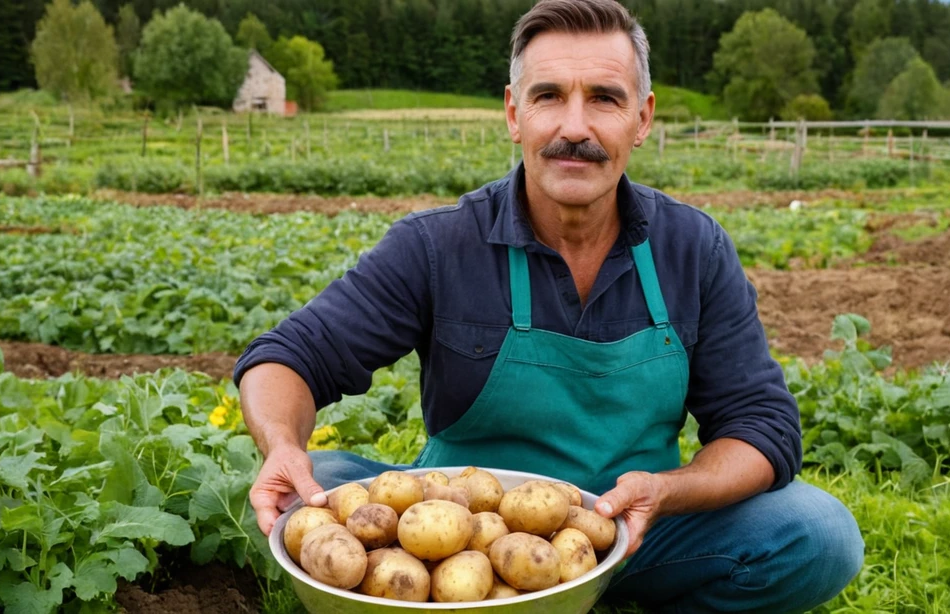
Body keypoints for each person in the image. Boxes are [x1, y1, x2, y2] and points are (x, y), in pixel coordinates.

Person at [234, 0, 864, 611]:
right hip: (459, 536)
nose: (574, 127)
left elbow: (761, 428)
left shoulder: (692, 248)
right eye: (548, 96)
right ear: (515, 113)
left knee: (818, 531)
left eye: (604, 98)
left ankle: (591, 590)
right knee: (310, 480)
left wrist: (665, 493)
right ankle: (468, 597)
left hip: (629, 531)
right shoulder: (437, 245)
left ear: (642, 119)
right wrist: (283, 445)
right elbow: (289, 356)